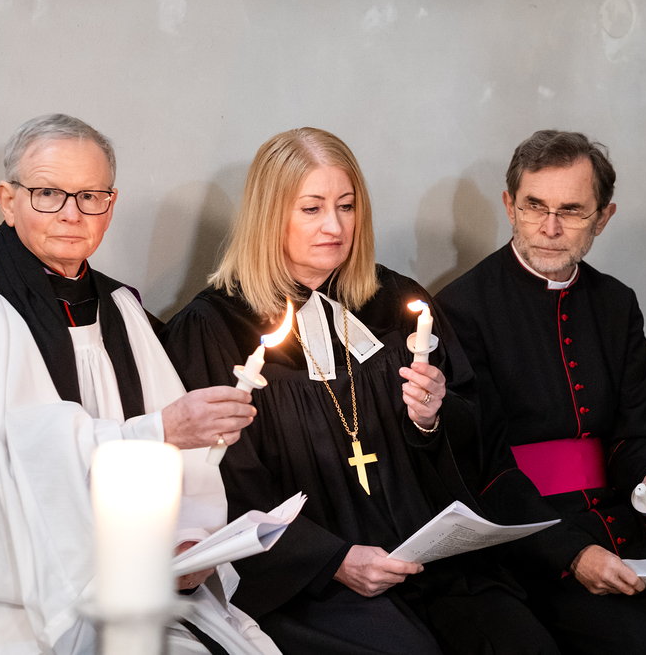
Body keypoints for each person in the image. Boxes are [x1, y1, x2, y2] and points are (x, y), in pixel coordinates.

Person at [161, 127, 561, 655]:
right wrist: (332, 560)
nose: (334, 226)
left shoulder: (398, 303)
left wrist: (430, 420)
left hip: (425, 561)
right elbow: (224, 482)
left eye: (346, 206)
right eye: (312, 208)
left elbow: (475, 433)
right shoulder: (215, 328)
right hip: (308, 580)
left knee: (523, 644)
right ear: (269, 215)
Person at [0, 114, 281, 655]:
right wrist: (158, 431)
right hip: (4, 596)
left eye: (91, 196)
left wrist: (187, 542)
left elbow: (185, 462)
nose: (72, 214)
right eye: (48, 193)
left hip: (134, 582)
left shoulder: (121, 309)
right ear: (8, 201)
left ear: (110, 207)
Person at [435, 130, 646, 654]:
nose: (550, 228)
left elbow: (640, 428)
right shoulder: (462, 309)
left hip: (623, 519)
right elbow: (482, 466)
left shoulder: (615, 303)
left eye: (572, 211)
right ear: (510, 205)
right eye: (535, 206)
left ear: (603, 218)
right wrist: (571, 554)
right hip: (528, 541)